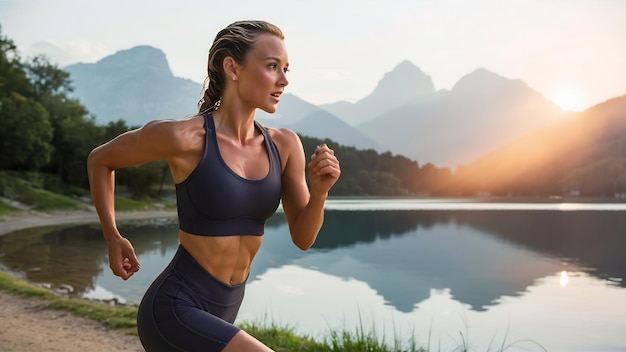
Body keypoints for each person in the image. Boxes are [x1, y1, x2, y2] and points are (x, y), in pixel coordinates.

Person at [87, 20, 340, 352]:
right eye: (272, 66)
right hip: (174, 308)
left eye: (286, 69)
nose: (284, 80)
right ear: (233, 68)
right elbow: (100, 160)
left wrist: (319, 191)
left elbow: (303, 238)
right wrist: (112, 235)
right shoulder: (186, 137)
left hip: (224, 310)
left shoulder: (285, 145)